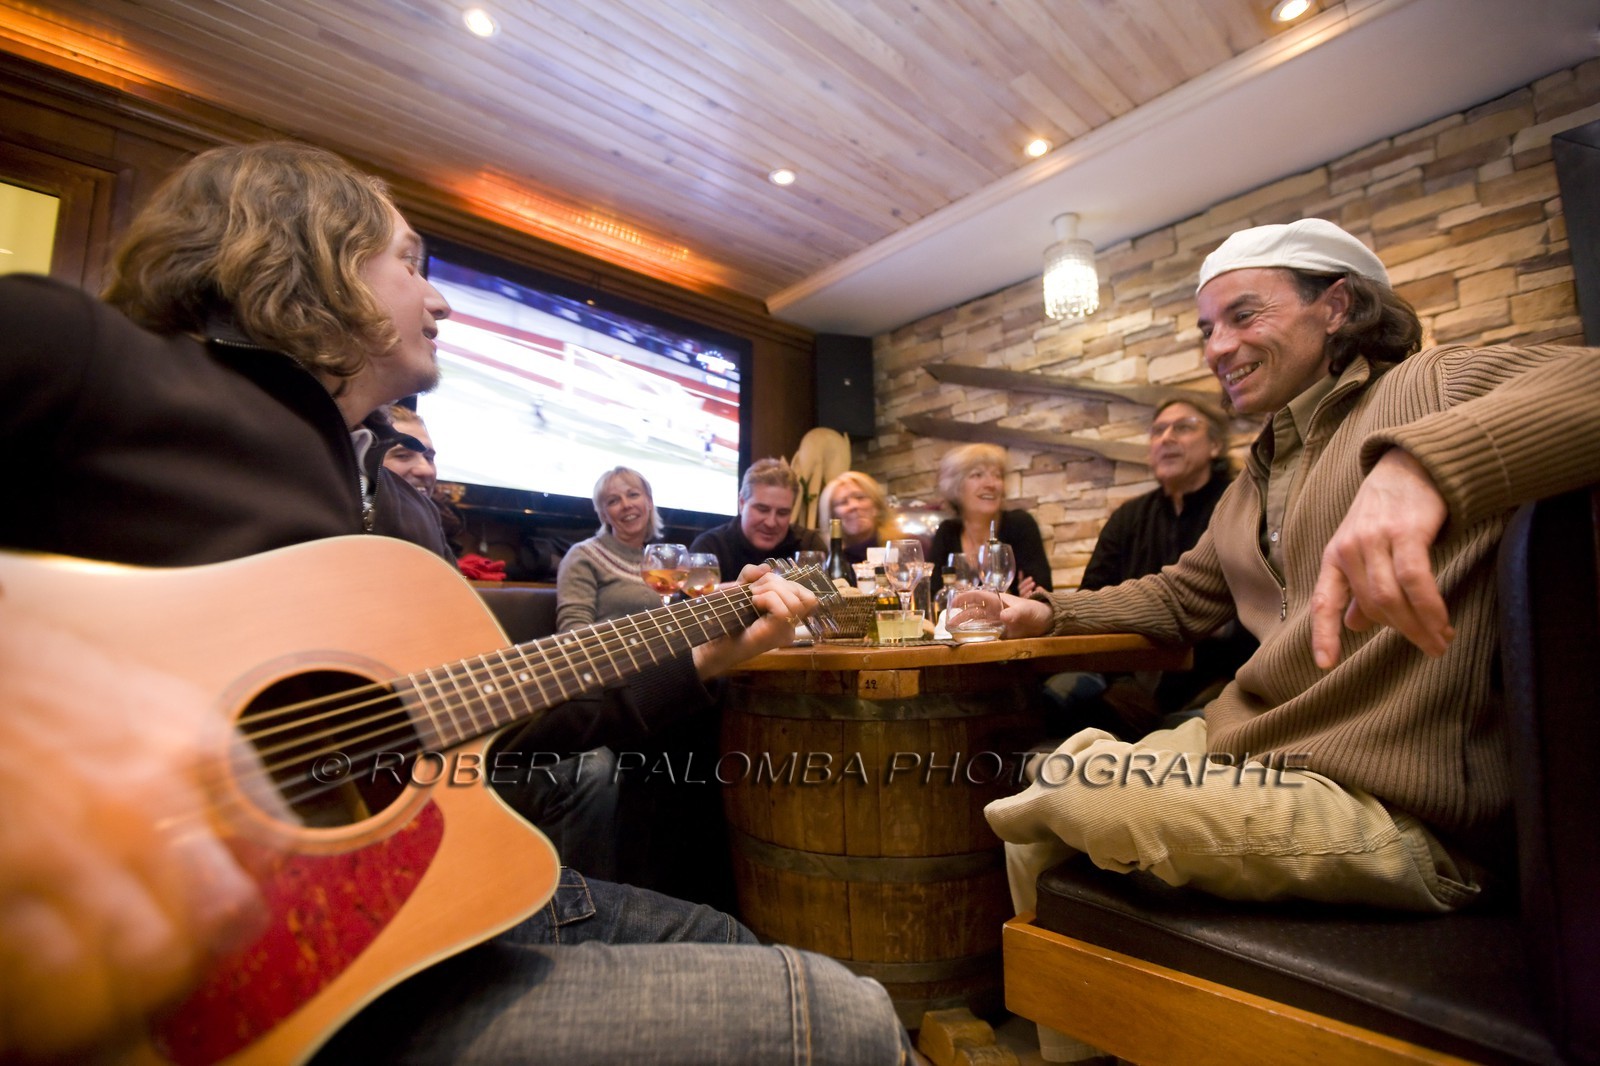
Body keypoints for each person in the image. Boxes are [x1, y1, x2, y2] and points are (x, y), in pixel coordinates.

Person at [0, 141, 910, 1064]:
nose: (437, 300)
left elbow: (474, 716)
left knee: (736, 940)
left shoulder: (392, 503)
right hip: (187, 1009)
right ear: (306, 255)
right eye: (408, 262)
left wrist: (708, 655)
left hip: (370, 925)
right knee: (846, 1020)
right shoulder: (85, 362)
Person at [958, 216, 1600, 1060]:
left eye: (1244, 316)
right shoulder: (1254, 478)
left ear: (1336, 307)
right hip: (1254, 749)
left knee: (1071, 787)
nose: (1218, 346)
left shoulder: (1430, 385)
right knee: (1051, 791)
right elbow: (1181, 597)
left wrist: (1421, 467)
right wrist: (1055, 616)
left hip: (1398, 805)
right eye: (1206, 330)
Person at [1044, 397, 1257, 738]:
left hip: (1217, 674)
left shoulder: (1238, 505)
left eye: (1183, 427)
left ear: (1215, 445)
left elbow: (1246, 612)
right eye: (1158, 431)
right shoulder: (1129, 517)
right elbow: (1091, 597)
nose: (1166, 438)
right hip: (1124, 673)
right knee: (1049, 697)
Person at [928, 443, 1052, 596]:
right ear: (956, 487)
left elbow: (1040, 594)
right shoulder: (947, 532)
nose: (991, 484)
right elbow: (934, 594)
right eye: (977, 475)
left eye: (997, 475)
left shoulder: (1020, 525)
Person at [555, 466, 670, 631]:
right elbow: (573, 629)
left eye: (633, 495)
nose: (626, 505)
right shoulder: (583, 555)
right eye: (613, 501)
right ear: (603, 514)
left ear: (649, 502)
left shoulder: (658, 563)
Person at [689, 456, 826, 582]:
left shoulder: (809, 545)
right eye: (762, 509)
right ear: (741, 503)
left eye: (782, 513)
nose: (771, 522)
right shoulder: (710, 547)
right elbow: (689, 603)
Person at [383, 402, 470, 557]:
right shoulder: (341, 533)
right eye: (402, 456)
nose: (427, 470)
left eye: (429, 457)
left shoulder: (437, 530)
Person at [817, 470, 894, 566]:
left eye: (860, 497)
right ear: (833, 516)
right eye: (843, 502)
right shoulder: (827, 562)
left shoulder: (905, 548)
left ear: (876, 506)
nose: (854, 506)